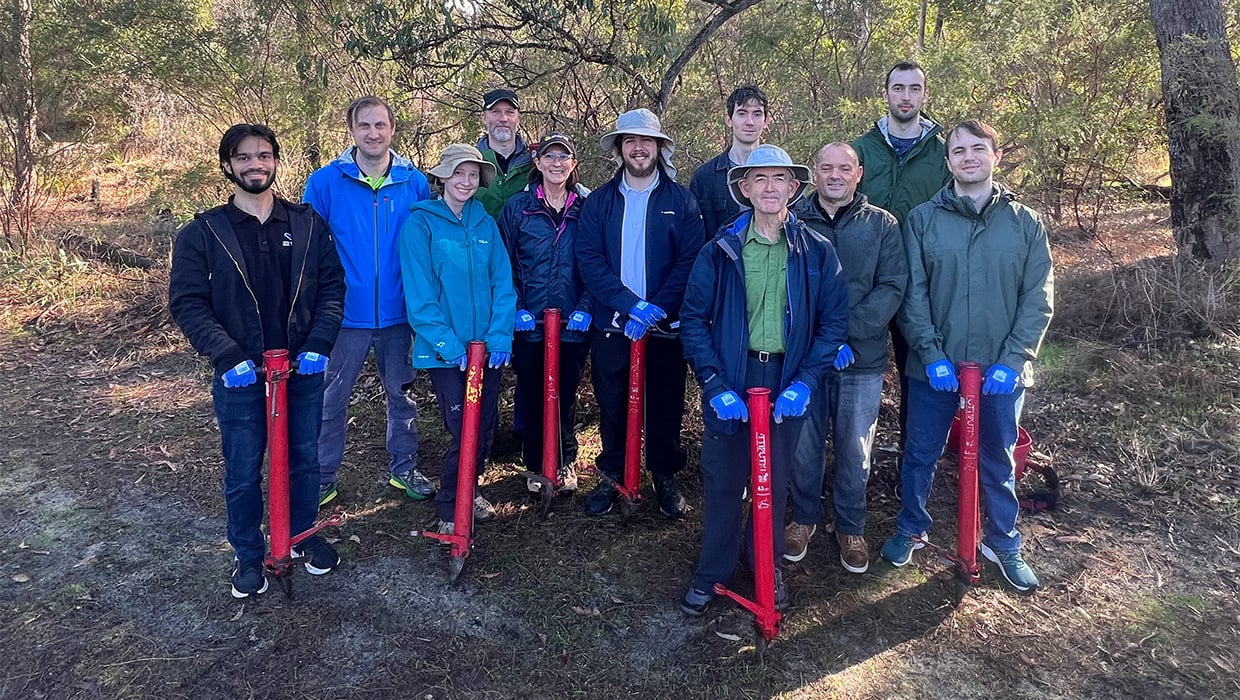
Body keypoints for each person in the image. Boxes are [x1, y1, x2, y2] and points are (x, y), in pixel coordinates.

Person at [169, 124, 345, 598]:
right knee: (244, 469)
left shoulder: (306, 223)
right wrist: (225, 354)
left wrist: (320, 343)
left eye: (264, 156)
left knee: (304, 459)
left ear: (275, 161)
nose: (255, 165)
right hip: (241, 376)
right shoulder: (203, 233)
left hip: (300, 369)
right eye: (244, 157)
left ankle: (302, 535)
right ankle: (248, 554)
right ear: (227, 166)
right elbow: (187, 301)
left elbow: (332, 288)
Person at [880, 120, 1053, 593]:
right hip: (934, 368)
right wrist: (931, 354)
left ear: (996, 156)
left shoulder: (1025, 222)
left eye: (979, 149)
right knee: (920, 453)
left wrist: (1014, 359)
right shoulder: (922, 219)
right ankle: (910, 527)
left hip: (1000, 370)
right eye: (959, 151)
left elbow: (1038, 296)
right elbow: (912, 294)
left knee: (998, 457)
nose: (968, 157)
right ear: (948, 160)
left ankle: (1003, 541)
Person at [679, 145, 849, 615]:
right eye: (760, 179)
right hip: (733, 378)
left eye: (780, 180)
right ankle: (712, 573)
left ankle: (764, 567)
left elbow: (833, 322)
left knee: (773, 480)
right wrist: (713, 383)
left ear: (794, 189)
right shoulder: (720, 250)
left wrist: (807, 381)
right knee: (723, 478)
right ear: (745, 189)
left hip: (787, 381)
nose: (770, 188)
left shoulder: (817, 251)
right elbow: (693, 319)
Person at [302, 96, 433, 507]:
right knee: (330, 399)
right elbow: (309, 250)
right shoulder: (324, 182)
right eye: (364, 126)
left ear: (393, 129)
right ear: (351, 131)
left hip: (399, 313)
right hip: (343, 316)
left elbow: (424, 245)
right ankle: (321, 476)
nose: (373, 133)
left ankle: (405, 467)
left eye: (380, 125)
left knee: (403, 395)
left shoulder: (414, 182)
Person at [576, 108, 706, 518]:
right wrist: (629, 305)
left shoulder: (681, 201)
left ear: (658, 148)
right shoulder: (598, 202)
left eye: (645, 141)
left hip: (665, 328)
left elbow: (690, 261)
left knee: (666, 405)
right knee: (612, 404)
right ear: (619, 148)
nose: (638, 148)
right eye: (629, 141)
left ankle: (664, 476)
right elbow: (589, 259)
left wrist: (656, 309)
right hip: (614, 325)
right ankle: (612, 474)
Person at [787, 143, 907, 572]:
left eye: (844, 168)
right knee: (804, 446)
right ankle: (803, 519)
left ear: (859, 174)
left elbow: (892, 286)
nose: (834, 175)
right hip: (806, 359)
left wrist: (846, 334)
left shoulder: (882, 225)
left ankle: (850, 525)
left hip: (862, 357)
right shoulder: (793, 220)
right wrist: (823, 340)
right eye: (826, 167)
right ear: (814, 174)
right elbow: (787, 288)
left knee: (855, 449)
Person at [398, 144, 517, 533]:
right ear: (442, 177)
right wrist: (451, 347)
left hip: (488, 350)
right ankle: (451, 505)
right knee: (463, 426)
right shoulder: (420, 225)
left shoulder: (485, 223)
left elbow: (503, 283)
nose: (465, 182)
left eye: (472, 175)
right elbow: (420, 298)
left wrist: (500, 338)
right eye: (458, 173)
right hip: (446, 353)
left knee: (484, 425)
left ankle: (472, 488)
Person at [852, 60, 951, 456]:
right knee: (855, 370)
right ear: (886, 93)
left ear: (924, 95)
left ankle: (915, 463)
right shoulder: (862, 149)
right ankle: (850, 462)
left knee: (919, 375)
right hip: (868, 284)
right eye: (898, 88)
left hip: (922, 283)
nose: (905, 96)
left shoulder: (943, 153)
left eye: (914, 88)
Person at [498, 133, 593, 493]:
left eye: (563, 157)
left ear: (573, 165)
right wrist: (517, 308)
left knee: (565, 394)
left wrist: (585, 307)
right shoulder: (518, 208)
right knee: (534, 390)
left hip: (572, 324)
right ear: (537, 163)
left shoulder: (585, 209)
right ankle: (537, 463)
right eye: (549, 156)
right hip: (530, 324)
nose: (556, 163)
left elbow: (597, 264)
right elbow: (502, 264)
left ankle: (566, 461)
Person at [689, 85, 772, 236]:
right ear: (729, 120)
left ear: (766, 121)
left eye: (757, 114)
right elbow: (694, 238)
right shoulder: (704, 178)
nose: (750, 122)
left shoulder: (782, 173)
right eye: (742, 113)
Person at [475, 89, 533, 219]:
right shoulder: (470, 162)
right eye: (495, 112)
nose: (503, 119)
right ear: (484, 117)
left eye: (510, 112)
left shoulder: (535, 164)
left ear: (518, 118)